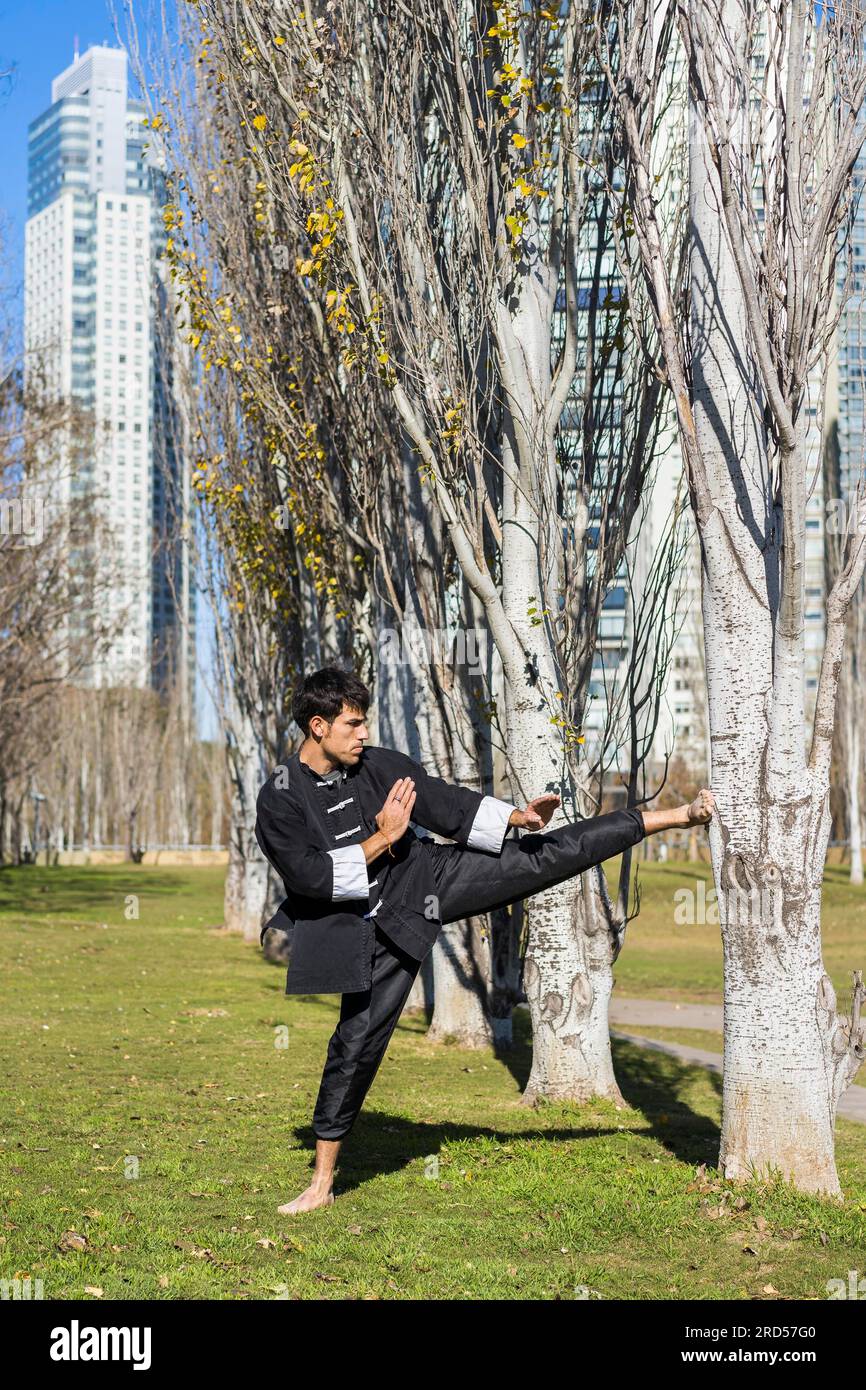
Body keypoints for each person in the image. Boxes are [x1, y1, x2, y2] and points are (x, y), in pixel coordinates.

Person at [255, 667, 715, 1214]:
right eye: (352, 725)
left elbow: (446, 804)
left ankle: (674, 816)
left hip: (422, 880)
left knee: (545, 856)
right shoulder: (280, 798)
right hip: (366, 931)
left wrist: (519, 818)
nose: (362, 734)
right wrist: (383, 836)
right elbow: (311, 878)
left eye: (364, 723)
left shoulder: (379, 765)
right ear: (317, 726)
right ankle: (322, 1182)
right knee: (354, 1045)